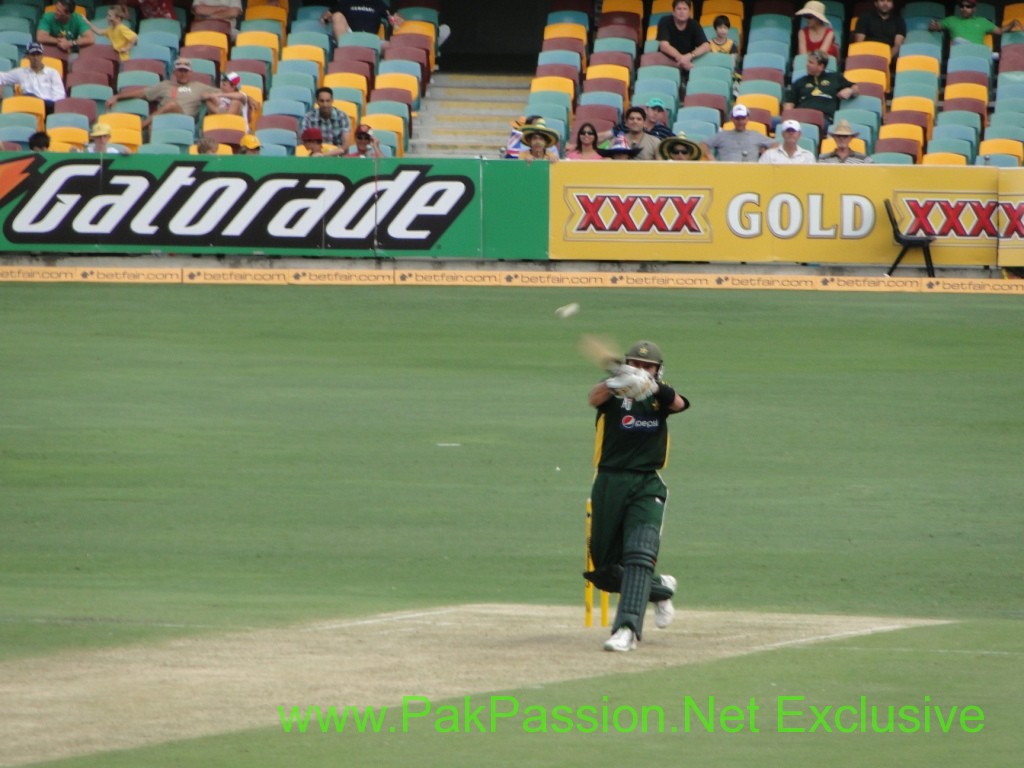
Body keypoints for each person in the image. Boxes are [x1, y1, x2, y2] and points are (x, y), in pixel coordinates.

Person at [585, 341, 688, 653]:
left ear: (658, 370)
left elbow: (680, 404)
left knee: (639, 554)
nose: (642, 370)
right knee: (604, 572)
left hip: (646, 484)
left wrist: (651, 387)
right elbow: (593, 398)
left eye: (648, 367)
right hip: (608, 483)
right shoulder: (612, 395)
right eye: (635, 364)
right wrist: (615, 381)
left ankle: (626, 629)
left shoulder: (659, 396)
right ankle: (659, 589)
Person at [106, 57, 218, 130]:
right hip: (163, 120)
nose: (183, 74)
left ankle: (139, 128)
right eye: (180, 71)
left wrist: (210, 96)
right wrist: (118, 96)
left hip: (184, 120)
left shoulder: (199, 86)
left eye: (185, 71)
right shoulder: (165, 85)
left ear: (191, 73)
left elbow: (223, 93)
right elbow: (142, 93)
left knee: (171, 105)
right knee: (153, 125)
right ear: (175, 73)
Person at [783, 50, 858, 124]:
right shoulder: (800, 81)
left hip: (823, 118)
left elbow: (856, 88)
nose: (807, 65)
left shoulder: (835, 78)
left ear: (821, 66)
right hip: (801, 116)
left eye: (811, 63)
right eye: (808, 61)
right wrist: (787, 119)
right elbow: (789, 103)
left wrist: (850, 90)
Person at [0, 42, 66, 112]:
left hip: (47, 107)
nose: (36, 58)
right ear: (27, 56)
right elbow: (2, 77)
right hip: (27, 106)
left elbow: (59, 97)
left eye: (38, 54)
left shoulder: (53, 73)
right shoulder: (21, 72)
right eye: (33, 55)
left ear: (42, 56)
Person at [657, 0, 710, 84]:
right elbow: (664, 46)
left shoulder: (694, 24)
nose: (682, 12)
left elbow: (706, 46)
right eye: (679, 9)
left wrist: (689, 56)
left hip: (688, 63)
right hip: (667, 62)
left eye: (685, 9)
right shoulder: (665, 21)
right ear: (673, 12)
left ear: (689, 12)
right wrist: (682, 59)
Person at [701, 103, 773, 162]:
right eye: (737, 118)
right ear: (731, 119)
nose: (740, 122)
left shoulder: (756, 135)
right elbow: (703, 145)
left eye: (743, 118)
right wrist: (712, 159)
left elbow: (775, 144)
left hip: (751, 171)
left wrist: (765, 155)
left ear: (748, 119)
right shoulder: (722, 135)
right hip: (727, 171)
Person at [930, 0, 1021, 45]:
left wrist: (1012, 23)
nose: (964, 9)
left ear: (974, 9)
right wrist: (933, 26)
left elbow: (1000, 31)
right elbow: (937, 26)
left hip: (978, 52)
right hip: (959, 52)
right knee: (958, 41)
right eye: (962, 6)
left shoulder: (982, 21)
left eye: (968, 6)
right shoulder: (951, 20)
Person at [322, 0, 403, 40]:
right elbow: (327, 16)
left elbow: (393, 16)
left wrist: (396, 19)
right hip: (350, 37)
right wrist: (325, 18)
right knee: (337, 15)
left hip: (370, 39)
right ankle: (344, 49)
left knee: (388, 47)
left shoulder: (378, 3)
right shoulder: (347, 2)